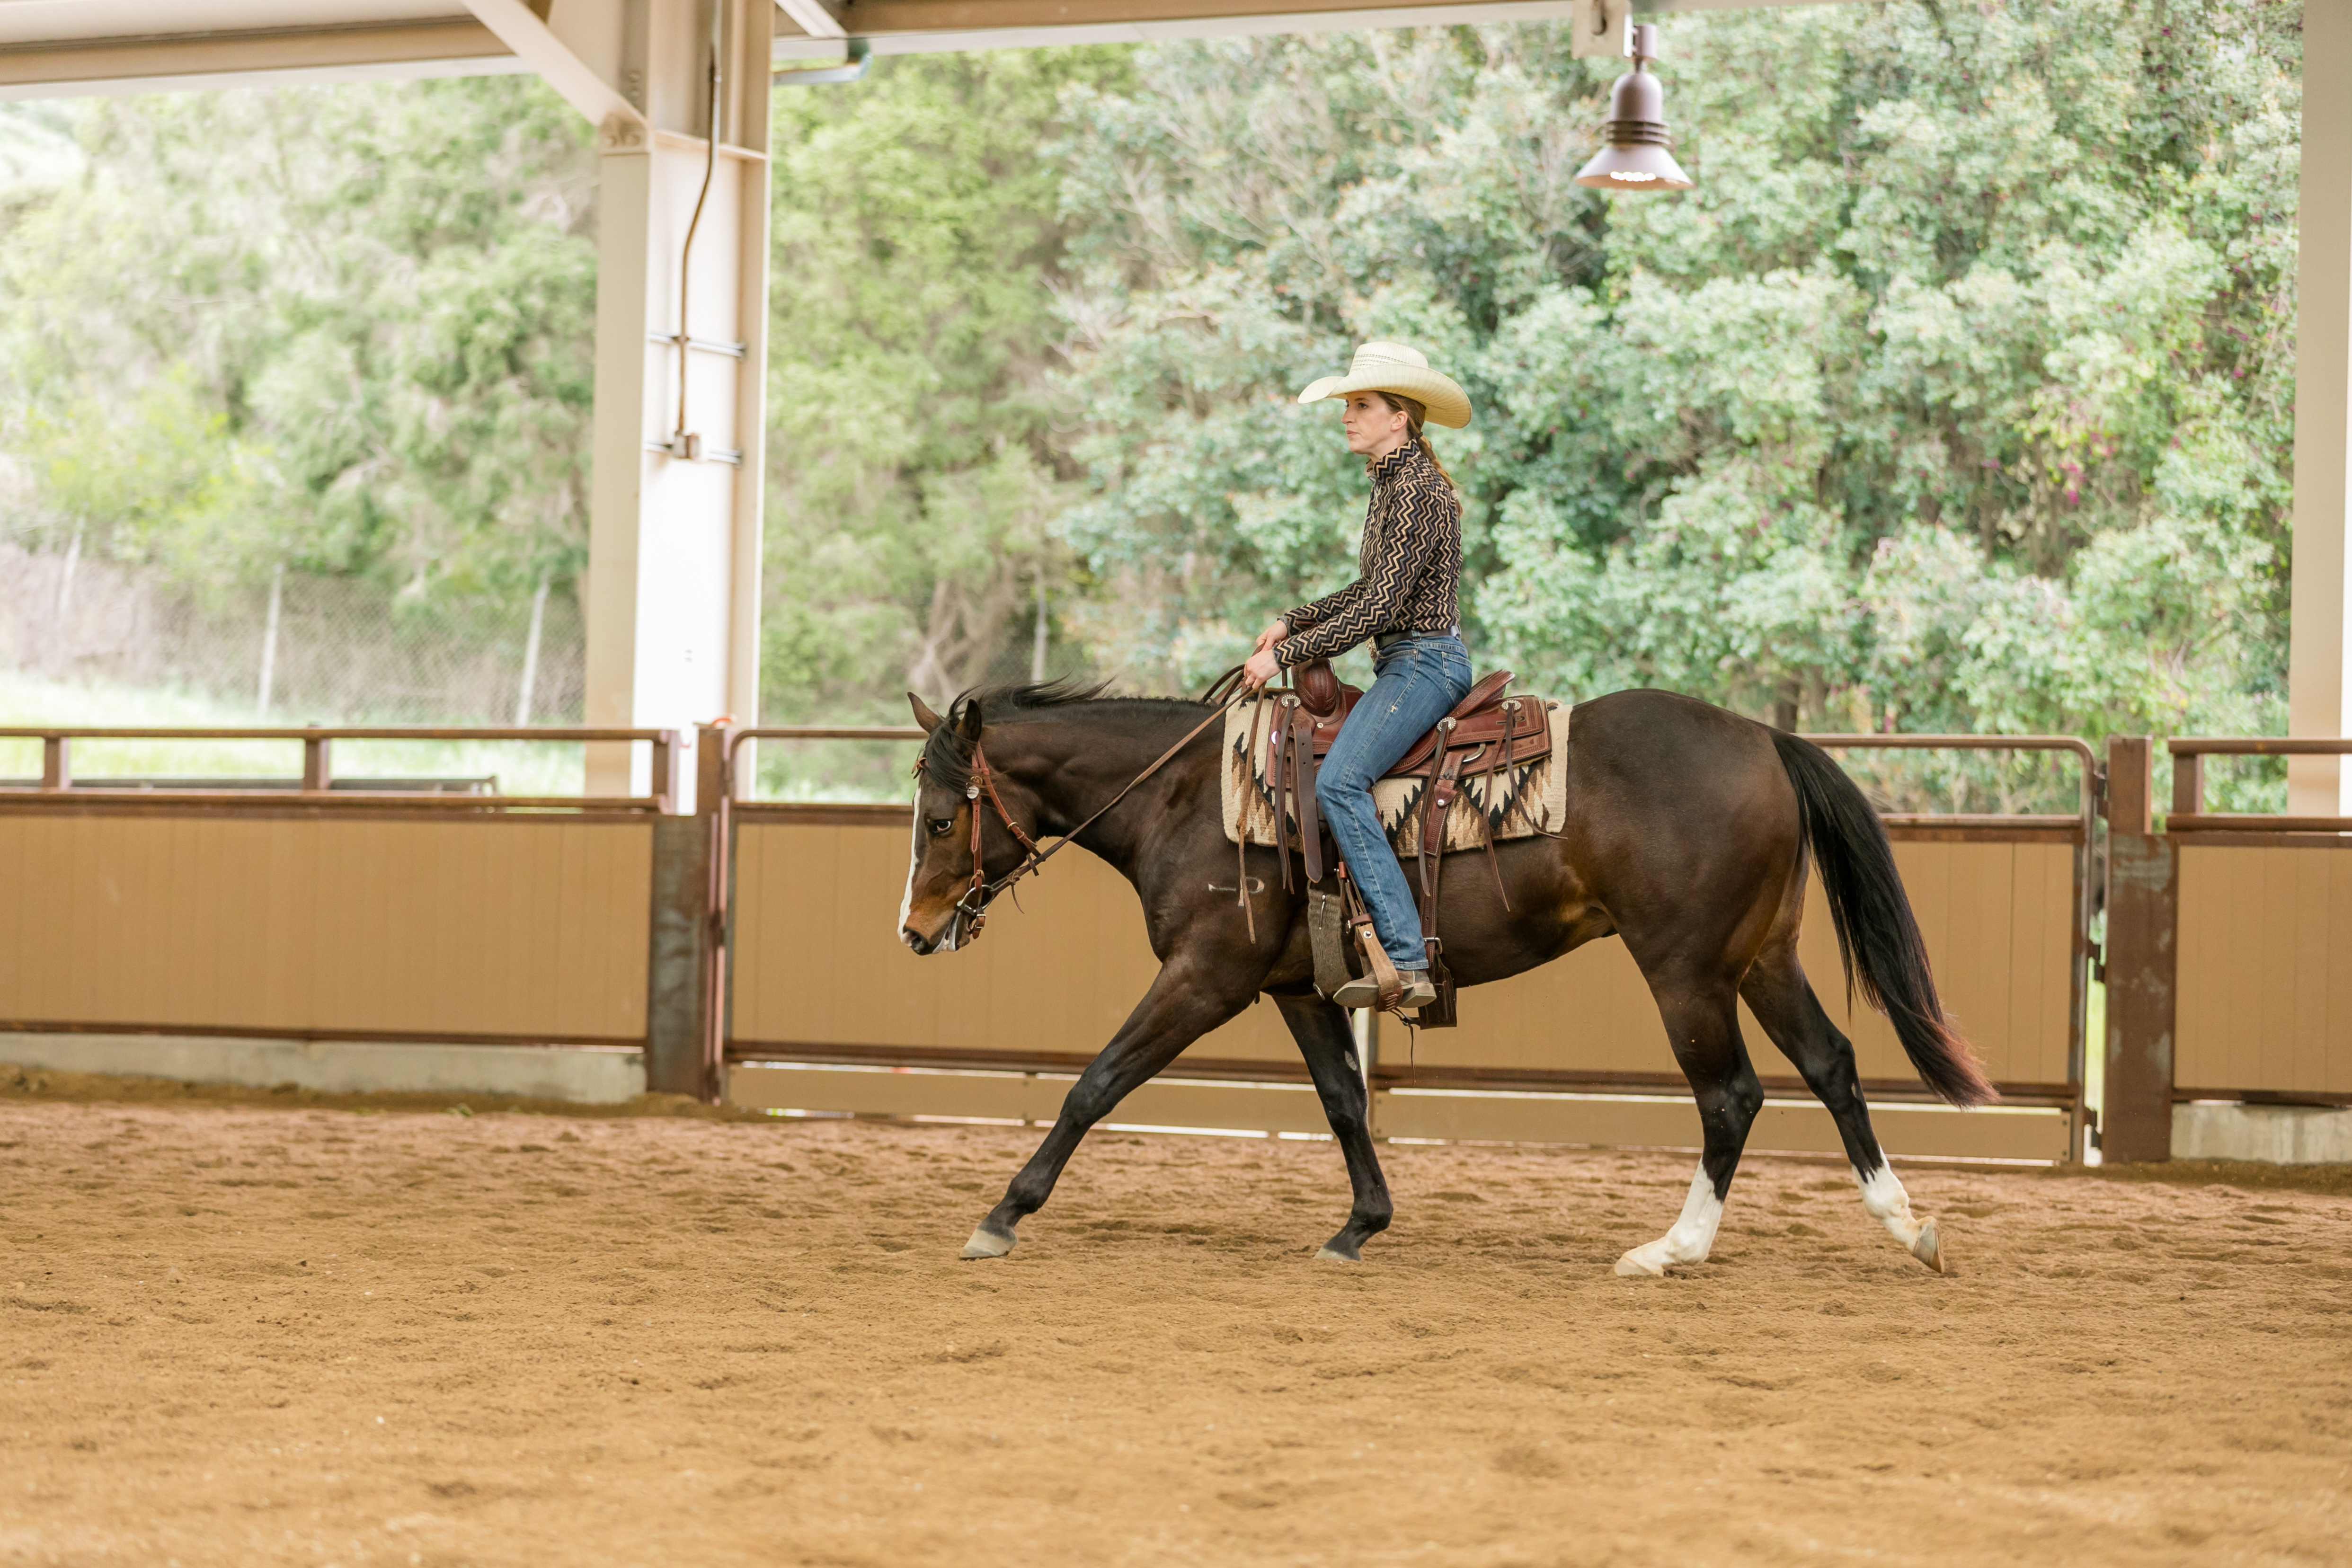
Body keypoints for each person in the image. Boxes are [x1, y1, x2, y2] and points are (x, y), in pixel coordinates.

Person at [1240, 341, 1473, 1010]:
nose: (1347, 416)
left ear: (1399, 418)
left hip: (1424, 660)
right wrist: (1291, 621)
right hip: (1407, 658)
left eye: (1361, 405)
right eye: (1347, 405)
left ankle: (1407, 959)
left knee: (1340, 783)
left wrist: (1283, 656)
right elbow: (1369, 589)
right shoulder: (1395, 484)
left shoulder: (1416, 491)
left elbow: (1381, 609)